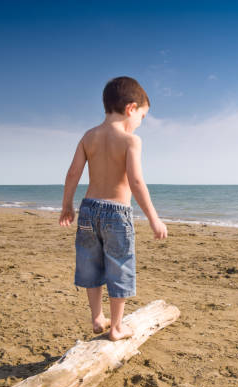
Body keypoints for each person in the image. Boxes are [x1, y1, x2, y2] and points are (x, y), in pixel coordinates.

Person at [59, 76, 167, 341]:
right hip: (117, 213)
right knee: (120, 265)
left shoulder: (89, 136)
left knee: (90, 263)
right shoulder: (131, 141)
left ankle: (97, 318)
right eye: (142, 117)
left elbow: (73, 173)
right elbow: (136, 181)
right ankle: (116, 327)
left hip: (88, 210)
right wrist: (154, 218)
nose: (140, 123)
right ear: (131, 108)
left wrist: (67, 206)